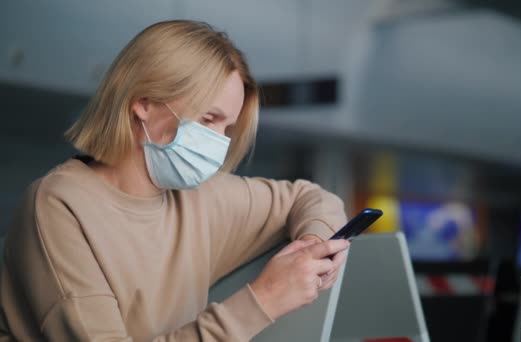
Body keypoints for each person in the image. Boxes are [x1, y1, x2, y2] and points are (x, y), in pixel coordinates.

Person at [0, 20, 349, 341]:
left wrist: (313, 242)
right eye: (209, 118)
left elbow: (311, 197)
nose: (220, 141)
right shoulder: (59, 205)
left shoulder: (200, 198)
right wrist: (265, 298)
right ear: (144, 103)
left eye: (227, 128)